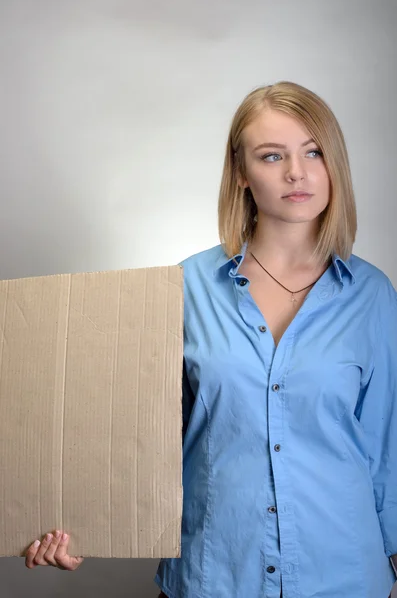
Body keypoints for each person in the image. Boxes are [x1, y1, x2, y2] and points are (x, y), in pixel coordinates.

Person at [25, 81, 397, 598]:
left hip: (344, 576)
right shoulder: (182, 288)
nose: (297, 172)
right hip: (215, 577)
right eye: (272, 156)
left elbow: (385, 451)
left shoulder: (374, 295)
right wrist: (78, 522)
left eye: (313, 151)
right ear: (242, 174)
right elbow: (135, 440)